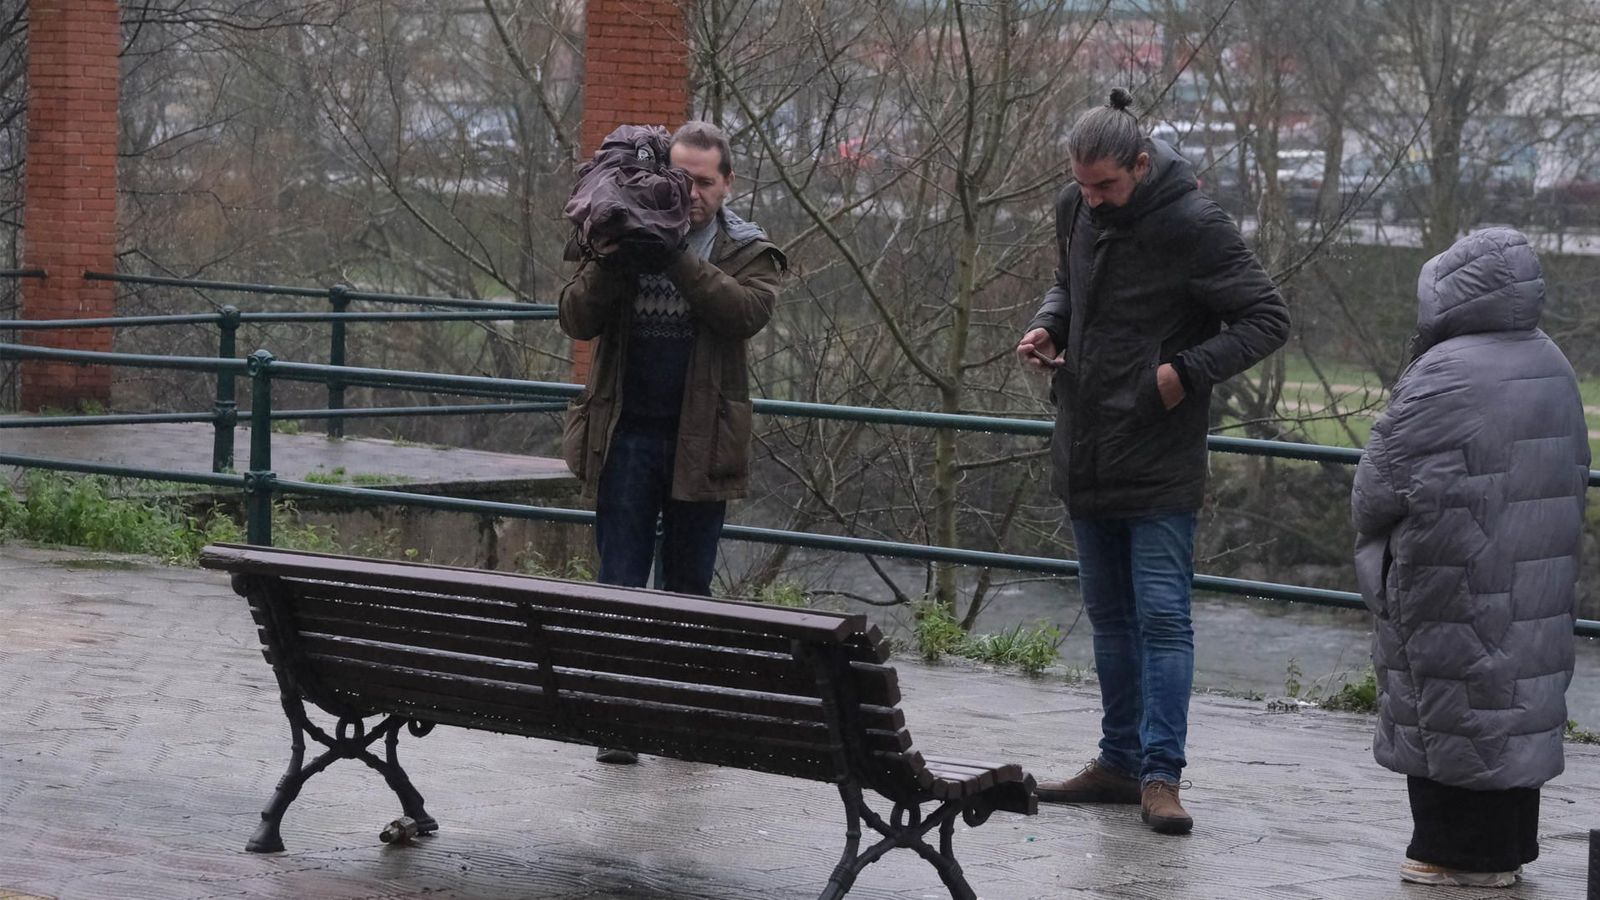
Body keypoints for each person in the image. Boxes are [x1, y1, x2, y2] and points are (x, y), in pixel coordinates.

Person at [1015, 88, 1290, 835]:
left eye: (1104, 185)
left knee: (1163, 619)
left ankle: (1161, 776)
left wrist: (1183, 373)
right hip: (1086, 442)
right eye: (1081, 185)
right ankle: (1118, 763)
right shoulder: (1074, 209)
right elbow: (1068, 287)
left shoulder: (1196, 224)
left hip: (1160, 454)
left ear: (1140, 164)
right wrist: (1048, 327)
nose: (1091, 199)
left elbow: (1268, 318)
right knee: (1109, 619)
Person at [1351, 227, 1588, 887]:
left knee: (1451, 701)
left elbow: (1379, 484)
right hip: (1538, 574)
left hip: (1451, 571)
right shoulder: (1554, 363)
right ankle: (1505, 852)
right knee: (1516, 700)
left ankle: (1452, 854)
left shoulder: (1443, 372)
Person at [559, 121, 786, 764]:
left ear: (729, 183)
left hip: (702, 440)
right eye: (680, 179)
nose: (691, 193)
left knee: (689, 589)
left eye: (705, 182)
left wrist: (674, 254)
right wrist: (618, 255)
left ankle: (681, 719)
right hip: (626, 434)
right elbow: (575, 317)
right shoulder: (620, 227)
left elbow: (743, 314)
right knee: (619, 583)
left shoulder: (747, 248)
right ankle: (619, 723)